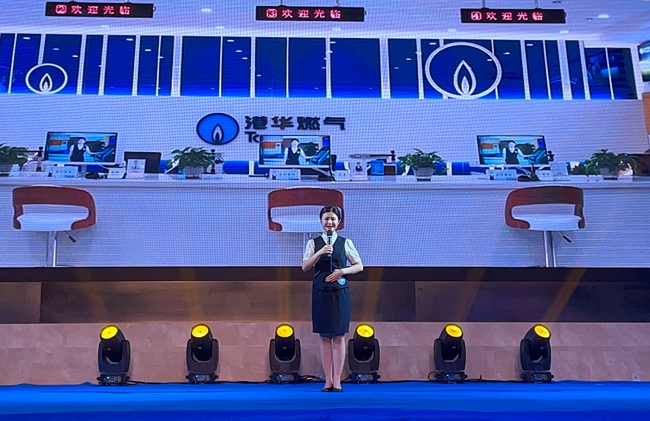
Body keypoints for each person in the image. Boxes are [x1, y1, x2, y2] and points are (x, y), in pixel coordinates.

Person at [302, 205, 363, 392]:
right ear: (321, 221)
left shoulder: (345, 242)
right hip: (321, 291)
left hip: (339, 291)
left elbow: (359, 265)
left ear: (338, 222)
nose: (329, 222)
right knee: (324, 336)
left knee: (338, 335)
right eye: (326, 219)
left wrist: (342, 271)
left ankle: (337, 380)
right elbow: (305, 266)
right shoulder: (313, 243)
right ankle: (327, 380)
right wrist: (320, 253)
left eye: (333, 219)